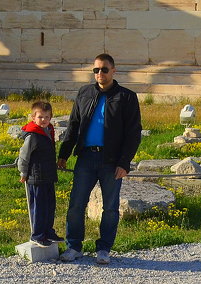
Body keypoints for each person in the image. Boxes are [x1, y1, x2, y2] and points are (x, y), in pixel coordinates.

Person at [57, 53, 142, 265]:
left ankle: (104, 248)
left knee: (110, 208)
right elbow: (74, 124)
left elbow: (133, 133)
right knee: (76, 204)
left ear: (114, 71)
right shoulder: (84, 92)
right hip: (86, 157)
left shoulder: (127, 97)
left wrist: (124, 163)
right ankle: (74, 246)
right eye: (96, 70)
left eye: (104, 69)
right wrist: (64, 154)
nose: (100, 74)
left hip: (111, 160)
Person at [16, 100, 63, 246]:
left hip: (48, 175)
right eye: (40, 117)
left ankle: (48, 231)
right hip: (36, 177)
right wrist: (23, 172)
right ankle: (37, 235)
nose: (44, 120)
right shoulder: (33, 135)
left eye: (47, 117)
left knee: (50, 205)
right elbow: (24, 155)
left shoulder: (48, 131)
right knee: (38, 207)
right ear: (33, 118)